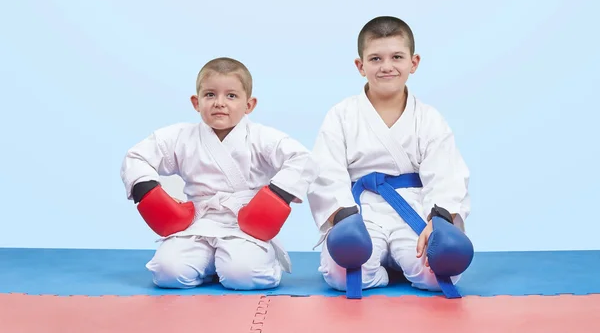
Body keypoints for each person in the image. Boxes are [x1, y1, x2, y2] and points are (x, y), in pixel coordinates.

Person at [307, 16, 473, 299]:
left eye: (397, 57)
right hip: (361, 211)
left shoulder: (429, 119)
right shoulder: (342, 115)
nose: (386, 66)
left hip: (413, 208)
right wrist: (344, 216)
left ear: (414, 62)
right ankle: (383, 270)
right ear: (360, 66)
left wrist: (440, 219)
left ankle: (399, 260)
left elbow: (446, 173)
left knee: (440, 274)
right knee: (340, 274)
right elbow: (325, 170)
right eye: (375, 59)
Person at [120, 57, 316, 291]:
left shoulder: (262, 137)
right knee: (167, 272)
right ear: (196, 102)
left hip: (246, 225)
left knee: (242, 275)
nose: (219, 103)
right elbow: (136, 157)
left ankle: (261, 260)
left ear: (249, 105)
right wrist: (148, 191)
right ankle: (209, 265)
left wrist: (276, 196)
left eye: (231, 96)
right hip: (196, 222)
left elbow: (303, 159)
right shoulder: (181, 137)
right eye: (210, 95)